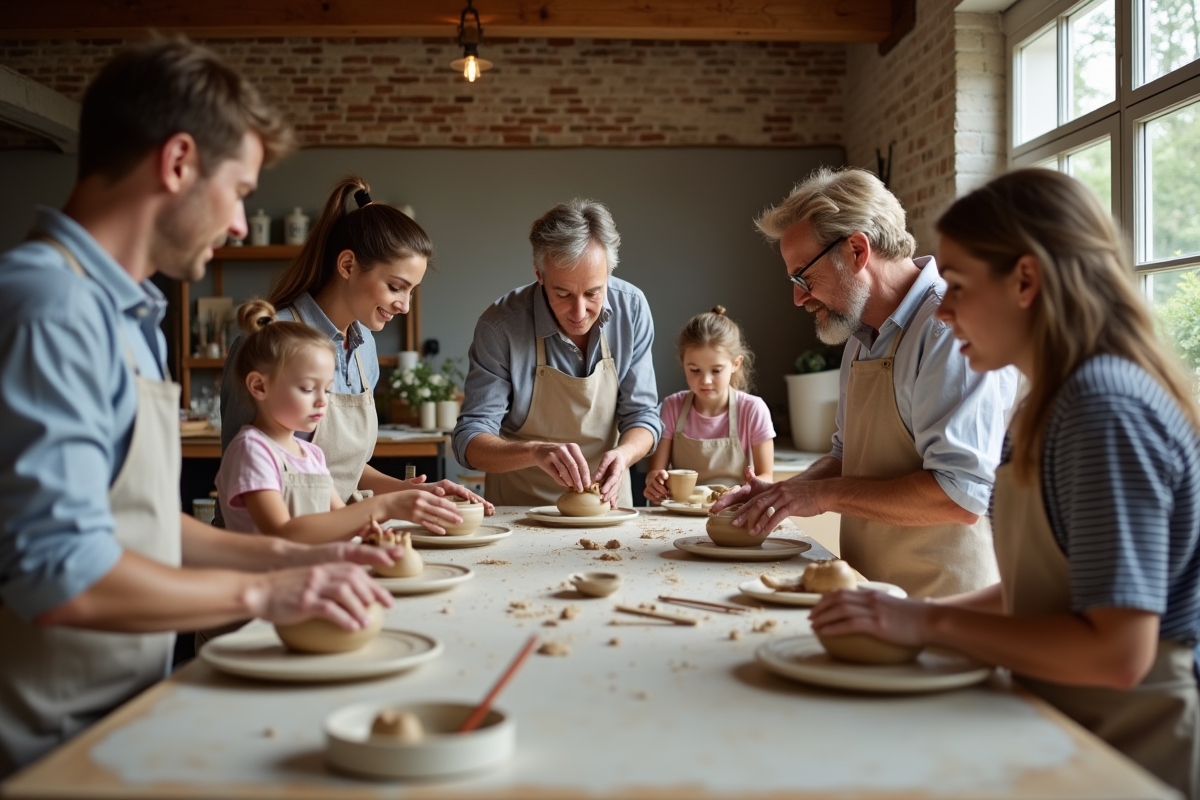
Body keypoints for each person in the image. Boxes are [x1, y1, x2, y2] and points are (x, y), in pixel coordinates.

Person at [0, 40, 404, 777]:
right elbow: (61, 571)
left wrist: (301, 555)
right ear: (178, 162)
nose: (245, 224)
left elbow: (144, 524)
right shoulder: (49, 307)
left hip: (119, 711)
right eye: (240, 189)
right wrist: (265, 590)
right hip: (43, 746)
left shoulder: (126, 311)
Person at [810, 168, 1200, 797]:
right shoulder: (1049, 402)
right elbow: (1041, 591)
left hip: (1130, 749)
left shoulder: (1104, 408)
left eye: (959, 286)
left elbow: (1118, 653)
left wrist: (928, 627)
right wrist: (904, 616)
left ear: (1026, 280)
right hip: (1059, 719)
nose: (948, 307)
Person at [713, 167, 1017, 599]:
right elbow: (847, 455)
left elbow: (958, 495)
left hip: (942, 606)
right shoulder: (860, 335)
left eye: (804, 276)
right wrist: (787, 493)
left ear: (857, 250)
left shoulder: (949, 331)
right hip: (872, 601)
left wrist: (821, 497)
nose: (798, 297)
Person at [218, 175, 490, 520]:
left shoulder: (364, 349)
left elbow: (338, 469)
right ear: (347, 265)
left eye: (411, 291)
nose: (404, 306)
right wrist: (384, 507)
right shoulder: (268, 340)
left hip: (335, 535)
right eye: (395, 287)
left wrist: (412, 492)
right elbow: (246, 469)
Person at [453, 199, 662, 507]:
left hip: (607, 507)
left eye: (593, 293)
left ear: (609, 272)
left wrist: (624, 453)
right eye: (562, 294)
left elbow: (643, 416)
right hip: (521, 512)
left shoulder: (631, 308)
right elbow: (469, 441)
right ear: (540, 274)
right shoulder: (500, 326)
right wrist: (535, 452)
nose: (579, 313)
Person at [216, 300, 461, 540]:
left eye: (328, 389)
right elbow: (283, 532)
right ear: (259, 386)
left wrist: (370, 533)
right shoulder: (251, 451)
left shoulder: (312, 455)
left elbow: (343, 520)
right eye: (308, 388)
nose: (323, 401)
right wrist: (384, 506)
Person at [644, 306, 775, 501]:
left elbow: (766, 478)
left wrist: (742, 492)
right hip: (680, 514)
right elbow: (656, 471)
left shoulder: (753, 410)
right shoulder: (672, 407)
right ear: (683, 362)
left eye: (716, 370)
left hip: (731, 512)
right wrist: (654, 481)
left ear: (735, 364)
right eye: (695, 370)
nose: (705, 380)